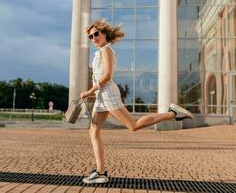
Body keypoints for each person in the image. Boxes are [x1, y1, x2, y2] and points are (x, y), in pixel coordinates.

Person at [79, 19, 194, 184]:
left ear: (104, 34)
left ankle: (172, 113)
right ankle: (100, 171)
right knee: (93, 131)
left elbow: (107, 76)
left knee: (133, 125)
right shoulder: (99, 52)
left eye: (96, 34)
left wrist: (89, 91)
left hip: (108, 94)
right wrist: (94, 92)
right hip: (101, 96)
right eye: (91, 36)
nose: (94, 38)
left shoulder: (107, 50)